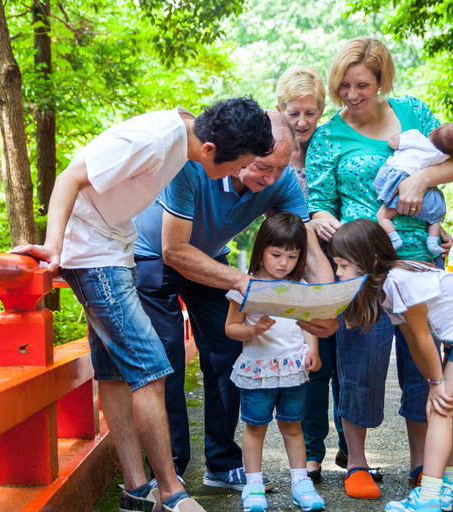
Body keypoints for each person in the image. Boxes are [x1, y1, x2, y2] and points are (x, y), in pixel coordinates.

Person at [12, 98, 275, 512]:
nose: (235, 174)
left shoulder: (189, 131)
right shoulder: (154, 140)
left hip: (116, 247)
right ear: (210, 150)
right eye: (235, 165)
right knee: (151, 368)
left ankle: (136, 491)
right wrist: (53, 247)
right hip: (93, 253)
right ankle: (171, 492)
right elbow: (69, 177)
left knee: (116, 373)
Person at [132, 110, 337, 492]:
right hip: (155, 255)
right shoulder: (194, 166)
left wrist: (327, 306)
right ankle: (171, 467)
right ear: (243, 150)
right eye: (263, 166)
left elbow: (305, 246)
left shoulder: (281, 179)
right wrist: (248, 284)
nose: (271, 178)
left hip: (210, 257)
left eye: (280, 168)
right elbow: (174, 250)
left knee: (228, 350)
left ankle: (222, 464)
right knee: (166, 357)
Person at [305, 37, 453, 500]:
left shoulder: (413, 112)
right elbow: (318, 202)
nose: (351, 96)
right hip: (362, 267)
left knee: (424, 363)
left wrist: (420, 178)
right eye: (343, 87)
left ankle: (423, 463)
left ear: (381, 82)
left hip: (420, 260)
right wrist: (320, 217)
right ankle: (356, 462)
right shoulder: (329, 135)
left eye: (362, 85)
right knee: (362, 363)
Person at [328, 219, 453, 512]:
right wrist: (432, 383)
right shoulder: (385, 285)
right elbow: (411, 342)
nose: (339, 272)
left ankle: (429, 499)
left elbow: (424, 338)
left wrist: (437, 386)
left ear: (370, 259)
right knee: (451, 412)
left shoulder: (399, 280)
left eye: (344, 264)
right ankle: (448, 487)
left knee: (440, 410)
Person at [224, 212, 327, 512]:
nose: (284, 263)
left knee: (294, 426)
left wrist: (313, 350)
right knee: (255, 427)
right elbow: (231, 328)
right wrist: (253, 329)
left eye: (292, 256)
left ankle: (301, 483)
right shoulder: (247, 286)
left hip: (293, 369)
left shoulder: (302, 287)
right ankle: (253, 485)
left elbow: (307, 325)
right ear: (261, 251)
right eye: (276, 254)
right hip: (258, 370)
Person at [275, 65, 348, 483]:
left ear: (321, 112)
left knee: (343, 361)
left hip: (337, 264)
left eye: (310, 114)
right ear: (280, 109)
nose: (302, 123)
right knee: (312, 363)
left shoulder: (330, 149)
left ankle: (348, 447)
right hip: (295, 270)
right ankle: (313, 451)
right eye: (294, 113)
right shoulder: (272, 154)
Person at [374, 123, 453, 256]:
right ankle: (433, 242)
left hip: (397, 177)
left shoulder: (416, 137)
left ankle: (394, 240)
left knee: (382, 216)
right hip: (421, 193)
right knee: (434, 215)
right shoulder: (444, 157)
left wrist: (394, 137)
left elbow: (393, 143)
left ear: (431, 132)